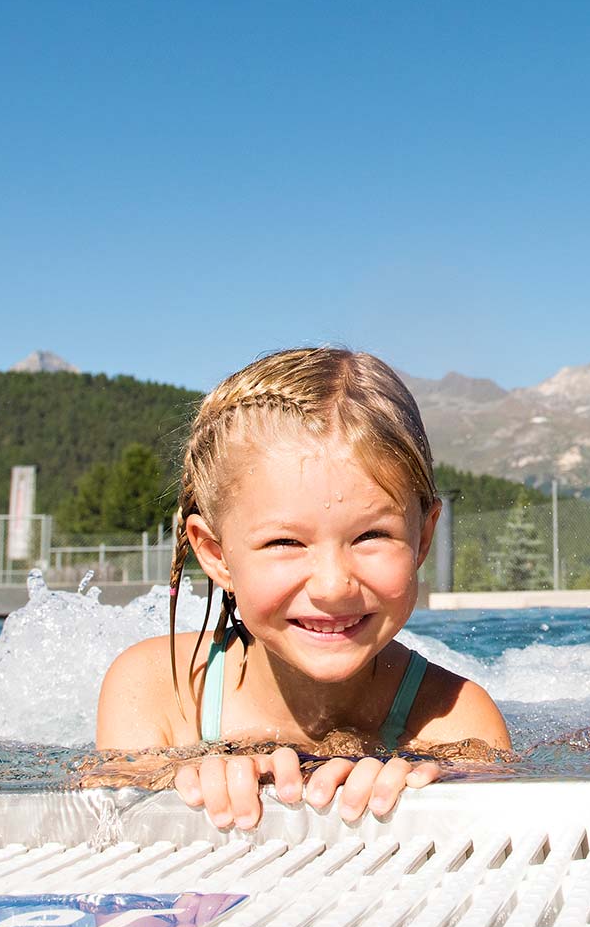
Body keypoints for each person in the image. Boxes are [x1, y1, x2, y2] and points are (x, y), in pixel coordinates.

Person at [96, 346, 509, 828]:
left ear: (421, 539)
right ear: (216, 555)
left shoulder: (457, 722)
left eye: (371, 536)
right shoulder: (156, 693)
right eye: (285, 542)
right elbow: (110, 843)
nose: (334, 587)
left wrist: (432, 797)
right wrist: (177, 786)